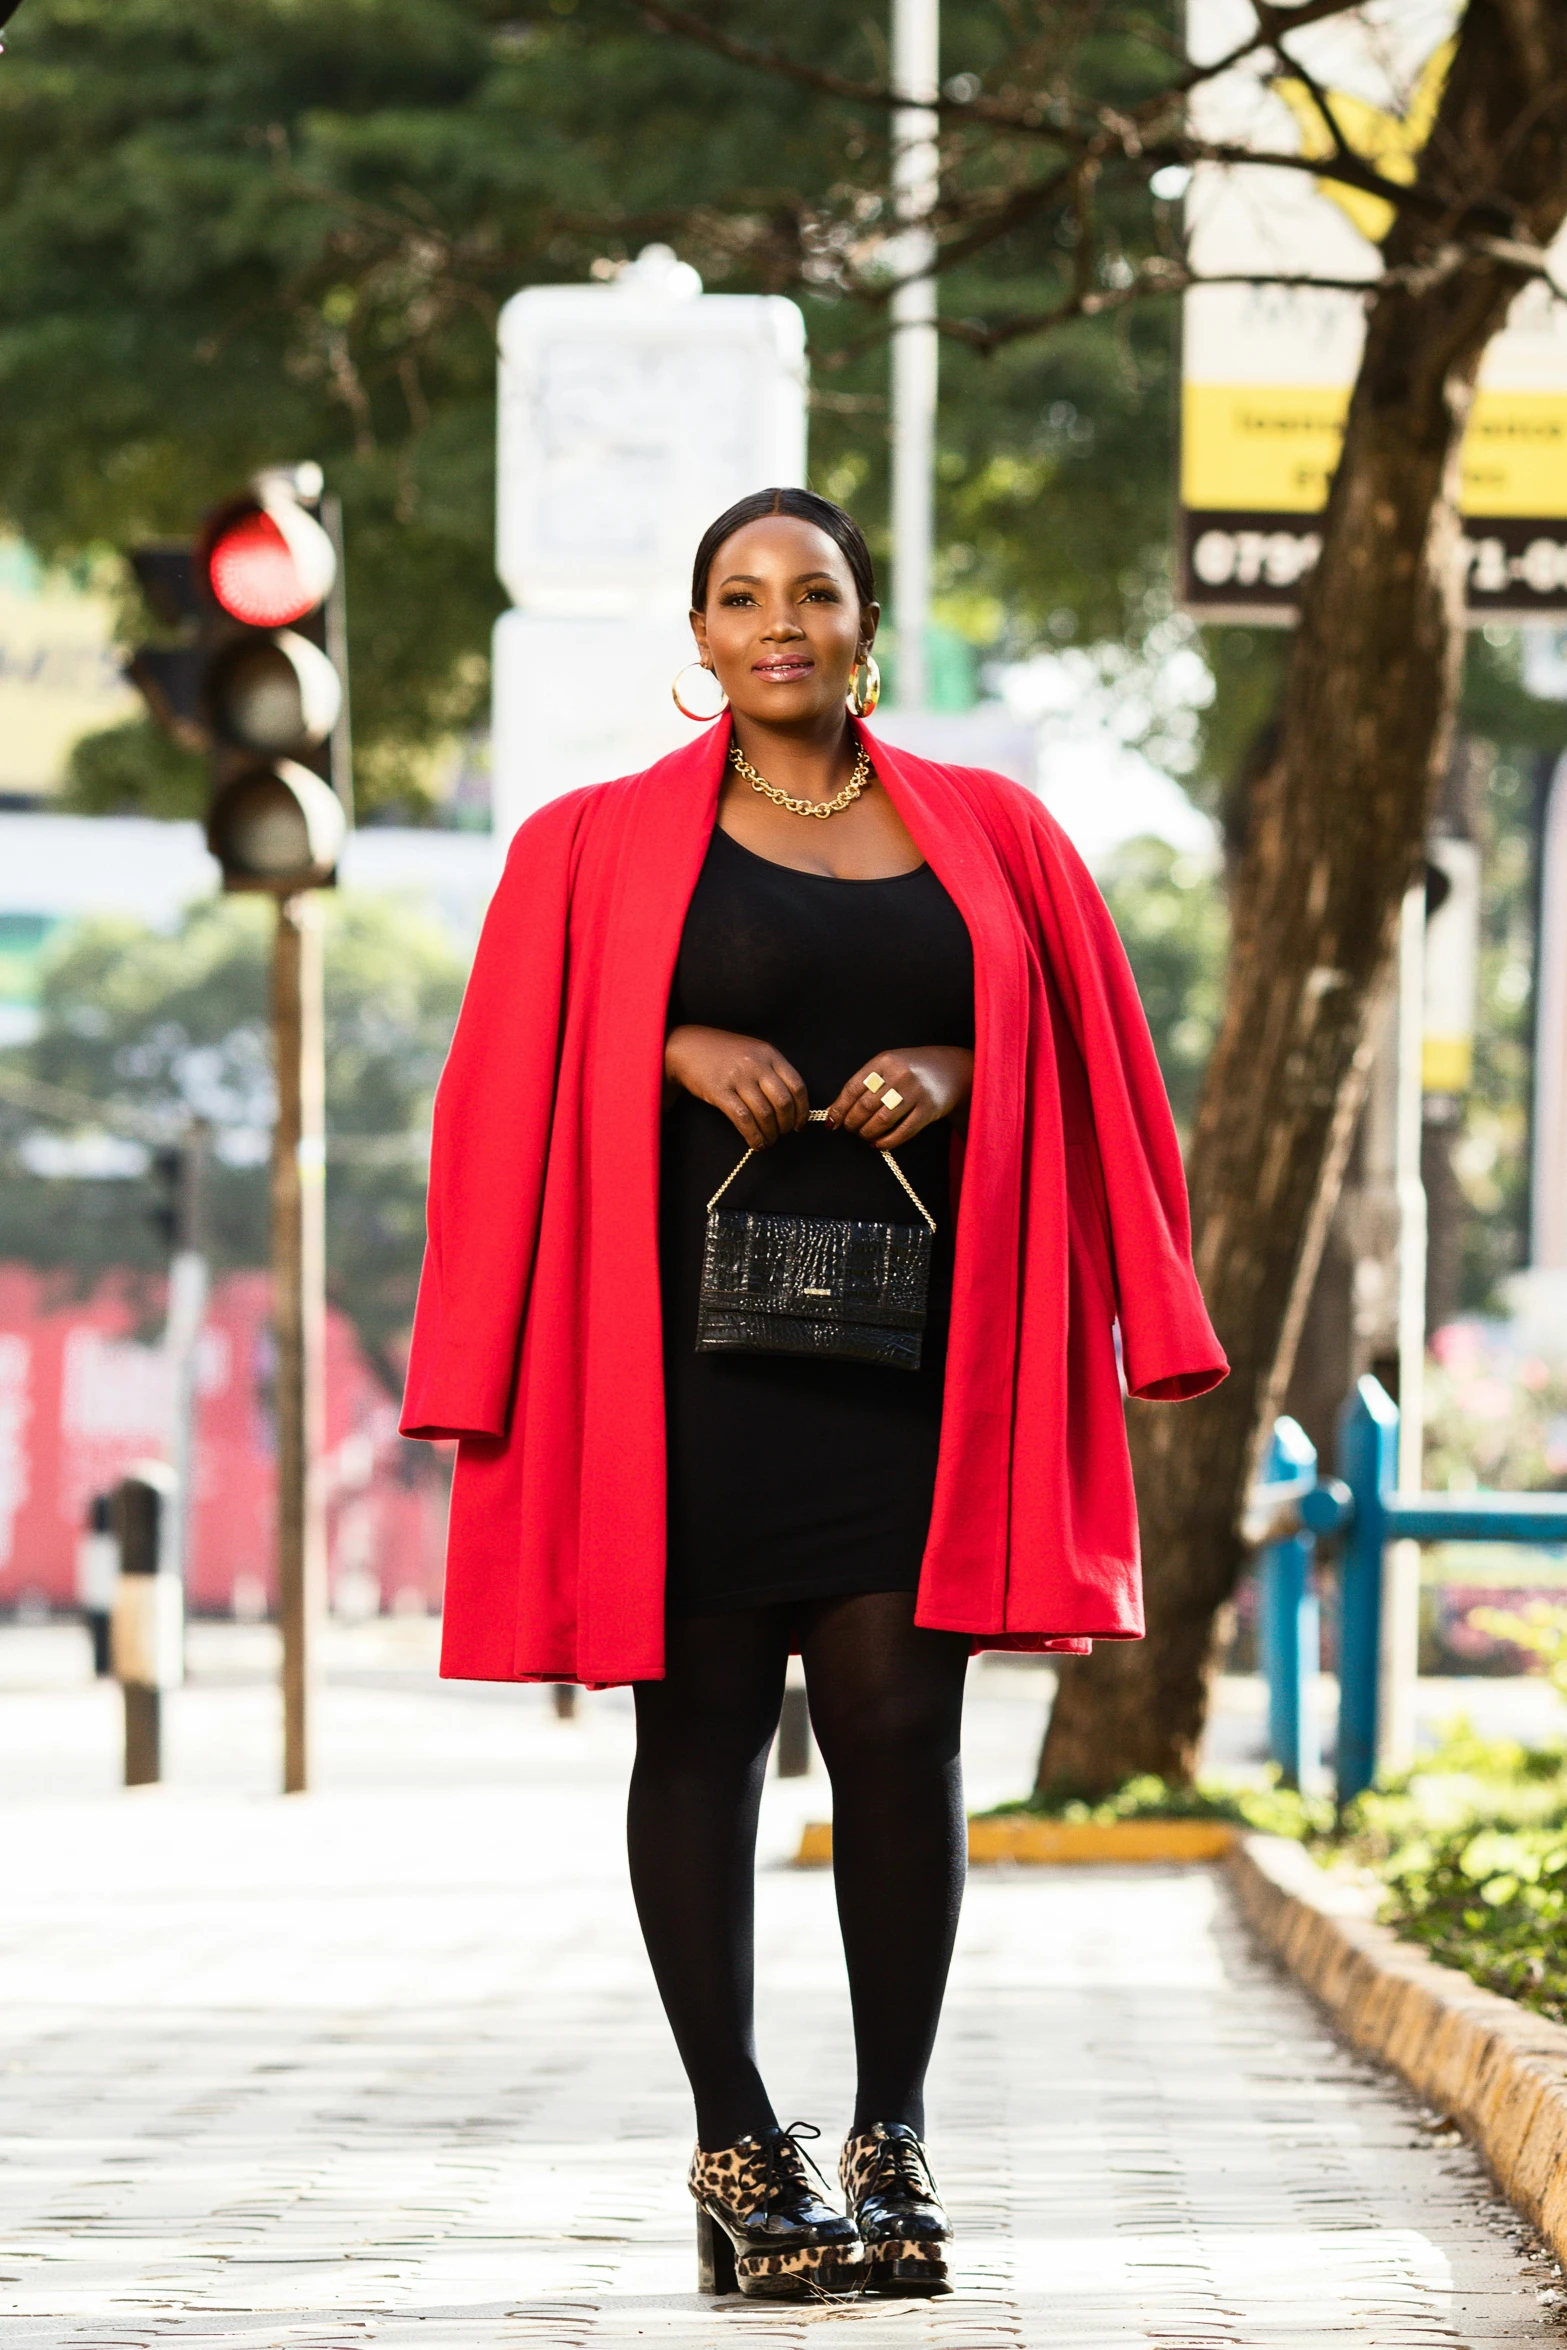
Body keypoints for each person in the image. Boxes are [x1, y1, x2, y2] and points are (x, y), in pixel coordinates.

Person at [400, 487, 1226, 2302]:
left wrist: (952, 1058)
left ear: (867, 622)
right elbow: (497, 1101)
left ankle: (891, 2129)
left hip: (921, 1369)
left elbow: (1095, 1062)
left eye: (815, 590)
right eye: (739, 595)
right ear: (697, 640)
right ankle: (733, 2132)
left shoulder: (998, 834)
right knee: (692, 1738)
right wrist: (669, 1044)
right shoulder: (587, 848)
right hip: (675, 1375)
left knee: (899, 1742)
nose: (779, 619)